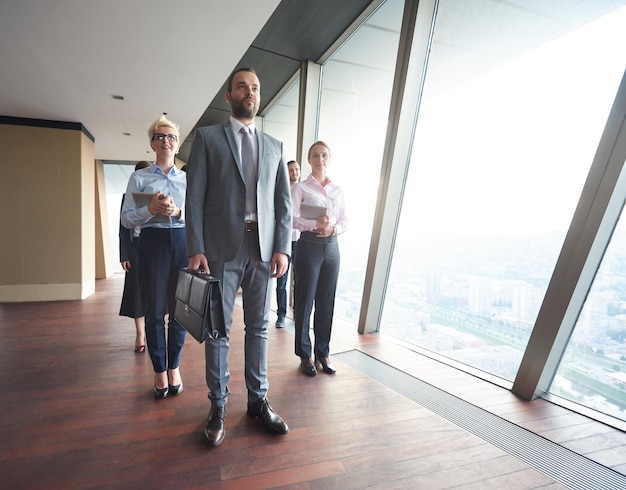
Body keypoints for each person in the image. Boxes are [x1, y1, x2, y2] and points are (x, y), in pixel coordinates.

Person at [185, 67, 292, 447]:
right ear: (228, 96)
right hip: (218, 250)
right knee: (218, 329)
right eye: (242, 87)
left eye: (255, 88)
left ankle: (258, 401)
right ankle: (218, 405)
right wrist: (195, 247)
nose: (250, 92)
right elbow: (194, 196)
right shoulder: (208, 138)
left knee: (259, 328)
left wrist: (283, 247)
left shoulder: (275, 146)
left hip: (262, 251)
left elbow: (283, 203)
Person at [121, 115, 187, 399]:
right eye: (160, 136)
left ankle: (174, 366)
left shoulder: (187, 180)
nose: (166, 141)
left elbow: (198, 217)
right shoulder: (140, 177)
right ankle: (159, 369)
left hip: (182, 242)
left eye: (171, 136)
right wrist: (150, 209)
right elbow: (126, 220)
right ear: (152, 143)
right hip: (152, 243)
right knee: (155, 310)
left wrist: (178, 212)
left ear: (177, 143)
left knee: (180, 310)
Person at [292, 141, 348, 376]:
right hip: (309, 246)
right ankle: (305, 355)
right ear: (309, 159)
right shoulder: (300, 189)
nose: (320, 159)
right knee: (305, 302)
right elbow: (292, 219)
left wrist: (333, 228)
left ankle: (322, 353)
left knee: (327, 301)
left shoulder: (338, 190)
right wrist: (316, 224)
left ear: (329, 158)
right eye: (315, 155)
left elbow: (345, 220)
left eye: (324, 155)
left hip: (332, 247)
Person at [119, 160, 152, 353]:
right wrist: (124, 254)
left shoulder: (160, 194)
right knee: (136, 290)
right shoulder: (127, 197)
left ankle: (152, 330)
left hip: (156, 244)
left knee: (156, 289)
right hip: (135, 246)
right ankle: (140, 334)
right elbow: (123, 228)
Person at [275, 160, 301, 328]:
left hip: (300, 240)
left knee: (299, 280)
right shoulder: (281, 191)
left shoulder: (303, 191)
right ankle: (281, 314)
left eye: (296, 170)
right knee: (281, 281)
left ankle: (298, 314)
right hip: (284, 241)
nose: (294, 173)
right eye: (291, 170)